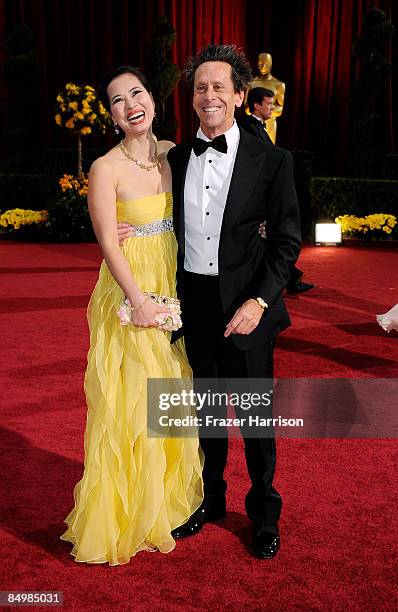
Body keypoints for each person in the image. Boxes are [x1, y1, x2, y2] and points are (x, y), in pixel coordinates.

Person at [60, 66, 203, 565]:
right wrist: (139, 300)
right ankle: (127, 514)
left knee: (172, 390)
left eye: (136, 93)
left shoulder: (173, 154)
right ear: (112, 115)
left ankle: (162, 505)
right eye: (118, 100)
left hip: (174, 282)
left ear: (153, 100)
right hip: (132, 293)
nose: (130, 104)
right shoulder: (105, 167)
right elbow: (106, 241)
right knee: (135, 397)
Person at [167, 44, 301, 560]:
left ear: (241, 96)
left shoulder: (272, 160)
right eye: (200, 87)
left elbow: (288, 241)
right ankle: (210, 501)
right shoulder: (177, 158)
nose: (208, 95)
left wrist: (261, 302)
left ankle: (265, 515)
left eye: (219, 86)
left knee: (255, 420)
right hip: (195, 305)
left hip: (248, 306)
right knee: (206, 415)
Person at [239, 87, 316, 295]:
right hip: (256, 195)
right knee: (268, 240)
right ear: (256, 105)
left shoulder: (259, 127)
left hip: (265, 193)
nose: (273, 108)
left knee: (269, 240)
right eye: (269, 104)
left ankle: (289, 277)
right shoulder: (247, 126)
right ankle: (288, 277)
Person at [246, 52, 285, 144]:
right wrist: (259, 110)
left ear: (271, 63)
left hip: (270, 124)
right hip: (253, 123)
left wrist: (265, 110)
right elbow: (247, 108)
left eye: (266, 63)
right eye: (260, 63)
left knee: (270, 152)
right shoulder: (251, 84)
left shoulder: (278, 85)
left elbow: (280, 109)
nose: (263, 66)